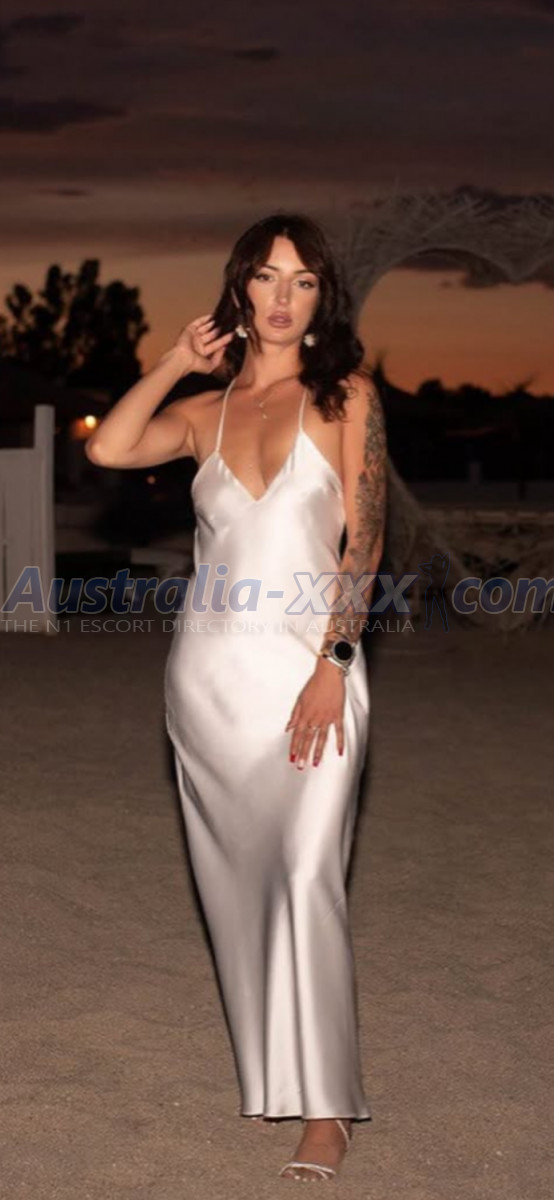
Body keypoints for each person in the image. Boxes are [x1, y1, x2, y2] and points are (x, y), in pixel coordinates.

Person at [85, 211, 387, 1182]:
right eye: (265, 277)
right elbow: (108, 451)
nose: (282, 297)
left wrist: (334, 662)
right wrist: (176, 361)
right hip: (209, 683)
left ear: (322, 298)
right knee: (236, 887)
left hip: (310, 671)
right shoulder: (201, 413)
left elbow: (365, 541)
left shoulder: (347, 397)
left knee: (305, 876)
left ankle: (327, 1108)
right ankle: (270, 1076)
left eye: (302, 280)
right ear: (238, 290)